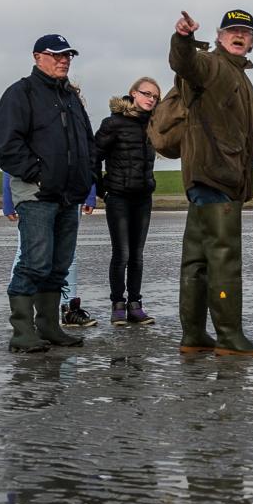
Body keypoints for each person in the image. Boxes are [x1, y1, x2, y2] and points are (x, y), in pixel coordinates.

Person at [169, 9, 253, 357]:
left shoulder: (238, 77)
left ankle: (193, 335)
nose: (240, 36)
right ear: (220, 36)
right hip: (214, 175)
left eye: (246, 32)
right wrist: (184, 37)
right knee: (224, 258)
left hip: (209, 176)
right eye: (233, 30)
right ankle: (229, 336)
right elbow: (183, 63)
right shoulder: (209, 64)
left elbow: (233, 129)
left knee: (197, 260)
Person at [0, 33, 96, 353]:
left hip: (69, 195)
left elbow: (86, 144)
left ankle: (50, 327)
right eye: (57, 54)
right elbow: (7, 146)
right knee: (35, 263)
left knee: (59, 265)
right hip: (36, 194)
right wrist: (38, 175)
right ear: (38, 57)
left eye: (68, 55)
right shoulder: (19, 93)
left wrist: (87, 179)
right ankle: (22, 332)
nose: (64, 60)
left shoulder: (70, 97)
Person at [94, 77, 161, 327]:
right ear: (133, 93)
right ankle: (117, 305)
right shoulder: (113, 123)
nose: (150, 99)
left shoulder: (154, 126)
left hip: (143, 197)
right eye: (146, 94)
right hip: (118, 197)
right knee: (121, 253)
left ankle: (135, 304)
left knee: (137, 255)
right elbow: (94, 156)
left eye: (155, 96)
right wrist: (103, 191)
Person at [1, 173, 98, 327]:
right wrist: (8, 198)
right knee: (28, 254)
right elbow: (11, 159)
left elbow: (85, 154)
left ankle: (69, 308)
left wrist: (90, 192)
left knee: (68, 253)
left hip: (70, 193)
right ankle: (23, 314)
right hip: (32, 194)